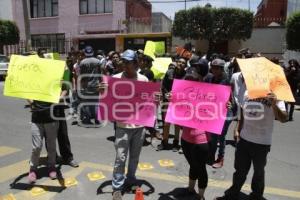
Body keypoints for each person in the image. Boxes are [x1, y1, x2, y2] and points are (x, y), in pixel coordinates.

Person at [214, 90, 288, 200]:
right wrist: (237, 128)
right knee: (239, 170)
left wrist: (274, 103)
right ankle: (233, 193)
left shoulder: (276, 95)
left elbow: (284, 118)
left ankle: (256, 195)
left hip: (262, 143)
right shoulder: (248, 91)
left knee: (258, 173)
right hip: (244, 139)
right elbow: (243, 112)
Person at [107, 50, 148, 200]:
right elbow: (108, 99)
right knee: (120, 157)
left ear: (136, 64)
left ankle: (131, 179)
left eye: (128, 62)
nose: (125, 65)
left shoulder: (143, 79)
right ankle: (117, 187)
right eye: (123, 62)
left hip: (139, 126)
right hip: (122, 126)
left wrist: (157, 98)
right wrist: (102, 92)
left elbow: (148, 102)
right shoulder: (115, 79)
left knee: (135, 157)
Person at [180, 62, 210, 200]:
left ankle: (201, 195)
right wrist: (171, 99)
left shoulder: (208, 91)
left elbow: (219, 108)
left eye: (197, 71)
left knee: (200, 167)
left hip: (201, 138)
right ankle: (190, 188)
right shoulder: (184, 92)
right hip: (185, 137)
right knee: (193, 164)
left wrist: (225, 105)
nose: (191, 79)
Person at [205, 58, 233, 168]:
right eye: (213, 67)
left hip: (224, 113)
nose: (215, 70)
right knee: (212, 136)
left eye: (218, 68)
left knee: (221, 137)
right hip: (212, 112)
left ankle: (221, 158)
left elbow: (231, 98)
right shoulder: (209, 78)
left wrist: (230, 104)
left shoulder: (227, 81)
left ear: (222, 69)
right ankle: (210, 156)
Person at [158, 58, 187, 151]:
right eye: (180, 62)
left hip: (179, 102)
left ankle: (175, 142)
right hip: (168, 100)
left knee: (177, 123)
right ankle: (164, 141)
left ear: (185, 65)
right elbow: (164, 85)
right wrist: (166, 94)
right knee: (166, 122)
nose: (181, 64)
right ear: (176, 63)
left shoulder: (186, 75)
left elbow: (187, 89)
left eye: (183, 63)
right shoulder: (169, 72)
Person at [78, 46, 102, 126]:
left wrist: (81, 85)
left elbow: (81, 75)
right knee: (96, 103)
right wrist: (101, 82)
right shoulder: (98, 61)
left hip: (86, 85)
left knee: (87, 103)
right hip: (96, 84)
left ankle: (88, 119)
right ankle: (97, 119)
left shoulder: (82, 62)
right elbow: (100, 73)